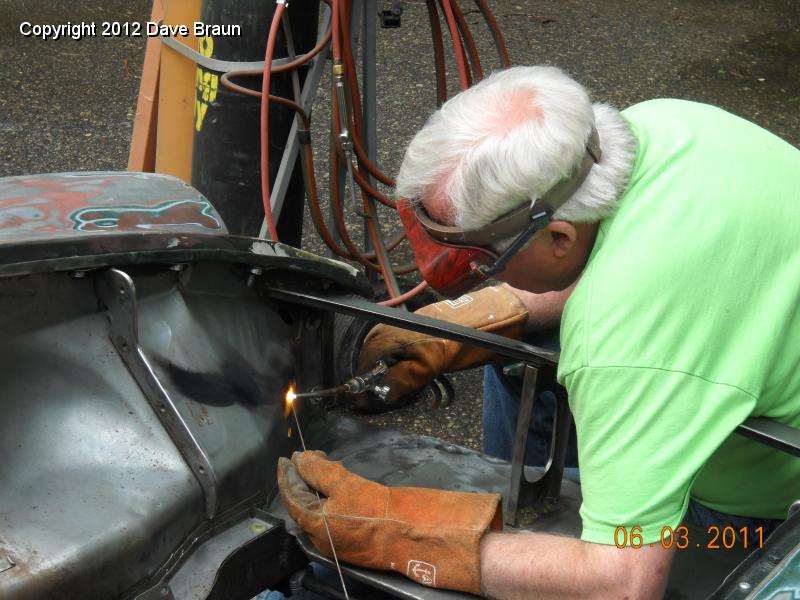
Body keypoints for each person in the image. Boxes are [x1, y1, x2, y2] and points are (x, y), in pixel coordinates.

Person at [279, 66, 800, 598]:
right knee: (509, 358)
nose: (476, 274)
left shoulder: (618, 344)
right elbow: (648, 266)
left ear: (556, 236)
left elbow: (622, 584)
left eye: (482, 261)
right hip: (751, 355)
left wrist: (400, 536)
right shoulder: (662, 125)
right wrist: (469, 321)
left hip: (762, 522)